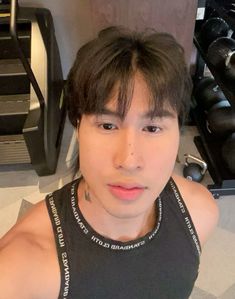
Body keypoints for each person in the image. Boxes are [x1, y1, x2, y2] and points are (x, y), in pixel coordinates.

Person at [0, 26, 219, 299]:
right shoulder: (19, 275)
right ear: (78, 127)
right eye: (107, 125)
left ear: (178, 131)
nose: (129, 161)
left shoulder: (200, 213)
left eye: (152, 128)